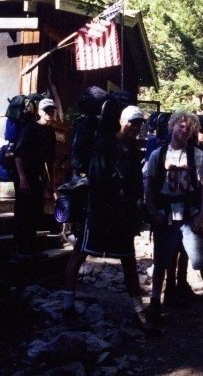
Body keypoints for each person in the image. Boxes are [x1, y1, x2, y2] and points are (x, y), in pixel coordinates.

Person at [144, 110, 203, 323]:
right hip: (165, 216)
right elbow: (149, 187)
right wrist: (152, 212)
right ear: (172, 126)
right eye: (181, 124)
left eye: (189, 127)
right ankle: (154, 305)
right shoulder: (157, 155)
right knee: (160, 263)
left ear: (192, 132)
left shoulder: (197, 156)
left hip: (189, 217)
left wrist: (202, 215)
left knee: (202, 261)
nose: (184, 128)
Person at [63, 105, 153, 331]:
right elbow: (97, 178)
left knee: (128, 259)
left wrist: (136, 208)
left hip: (121, 212)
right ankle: (67, 303)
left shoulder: (133, 149)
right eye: (133, 122)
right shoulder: (103, 144)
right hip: (99, 210)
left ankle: (138, 311)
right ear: (122, 121)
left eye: (139, 124)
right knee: (80, 252)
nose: (136, 127)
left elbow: (135, 183)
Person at [13, 98, 57, 259]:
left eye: (52, 111)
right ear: (39, 112)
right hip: (24, 173)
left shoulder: (50, 132)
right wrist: (22, 178)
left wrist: (51, 181)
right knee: (23, 209)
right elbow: (18, 155)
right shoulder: (30, 128)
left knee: (36, 209)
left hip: (38, 174)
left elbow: (51, 159)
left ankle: (30, 247)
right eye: (46, 111)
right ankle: (20, 248)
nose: (49, 114)